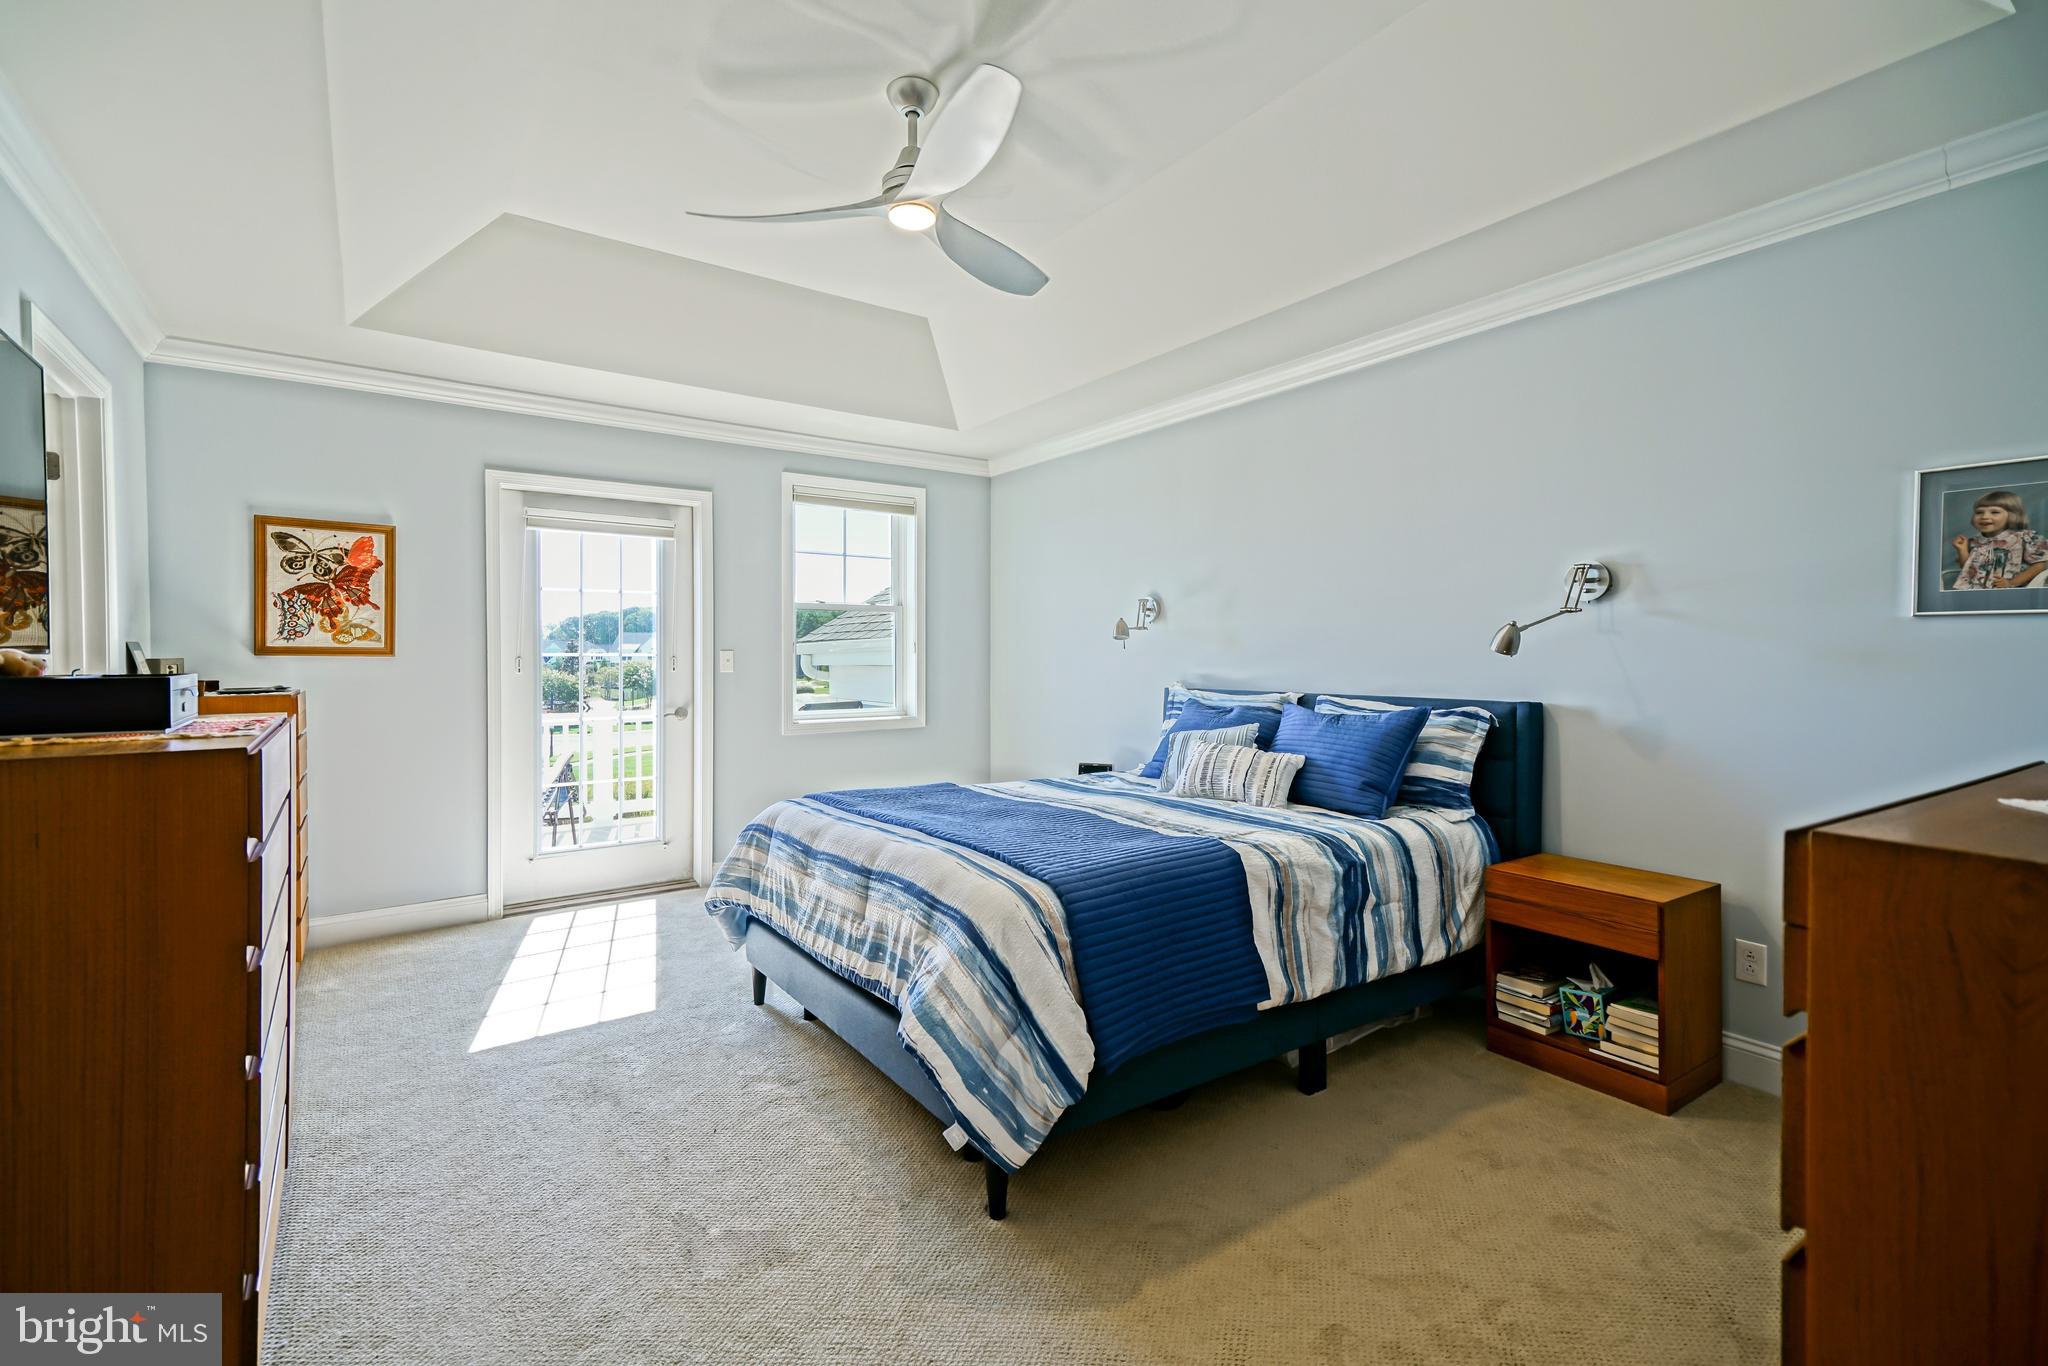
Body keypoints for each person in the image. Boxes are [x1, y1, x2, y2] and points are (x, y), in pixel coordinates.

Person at [1951, 490, 2048, 590]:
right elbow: (1967, 570)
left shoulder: (2024, 538)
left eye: (1994, 512)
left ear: (2012, 515)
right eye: (1979, 512)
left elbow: (2039, 566)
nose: (1984, 516)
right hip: (1975, 593)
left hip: (2010, 592)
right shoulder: (1975, 542)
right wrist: (1961, 550)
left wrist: (2011, 583)